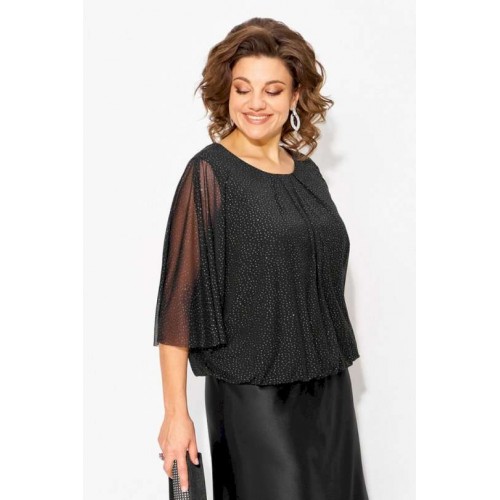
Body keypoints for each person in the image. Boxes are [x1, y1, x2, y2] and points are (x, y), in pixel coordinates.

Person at [154, 17, 370, 500]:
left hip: (328, 389)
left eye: (272, 90)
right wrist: (176, 415)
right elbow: (178, 303)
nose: (255, 103)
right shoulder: (209, 173)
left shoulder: (307, 173)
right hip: (253, 394)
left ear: (295, 97)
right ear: (226, 93)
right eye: (243, 88)